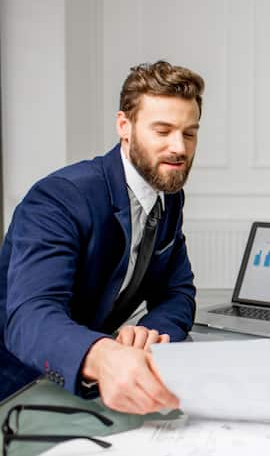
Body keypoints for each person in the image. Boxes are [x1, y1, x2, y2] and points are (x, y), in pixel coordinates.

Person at [0, 61, 203, 414]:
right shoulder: (59, 197)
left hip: (91, 394)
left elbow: (176, 291)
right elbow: (30, 315)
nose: (180, 148)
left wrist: (150, 334)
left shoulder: (168, 194)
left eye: (189, 133)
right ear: (124, 126)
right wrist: (105, 356)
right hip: (19, 388)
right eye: (163, 131)